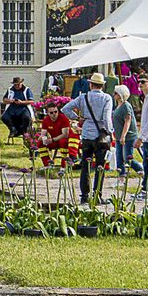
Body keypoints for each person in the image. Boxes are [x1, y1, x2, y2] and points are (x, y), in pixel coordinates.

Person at [62, 72, 116, 205]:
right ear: (102, 86)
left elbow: (65, 109)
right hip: (100, 135)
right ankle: (97, 195)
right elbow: (106, 118)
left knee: (85, 166)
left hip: (86, 134)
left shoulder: (83, 97)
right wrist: (110, 132)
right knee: (100, 166)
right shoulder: (107, 98)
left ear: (91, 85)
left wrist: (78, 118)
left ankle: (84, 196)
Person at [111, 83, 139, 174]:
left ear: (121, 94)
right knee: (119, 158)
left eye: (116, 93)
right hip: (119, 136)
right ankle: (121, 176)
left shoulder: (126, 105)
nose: (114, 94)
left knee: (128, 158)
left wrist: (123, 136)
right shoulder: (118, 105)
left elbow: (128, 120)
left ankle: (142, 170)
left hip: (128, 136)